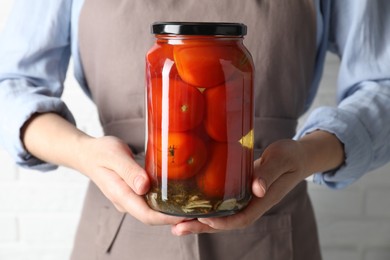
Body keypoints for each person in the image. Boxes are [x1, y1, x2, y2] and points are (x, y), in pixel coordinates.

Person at [0, 0, 389, 259]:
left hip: (274, 232)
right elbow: (12, 85)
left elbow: (382, 86)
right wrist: (84, 152)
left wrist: (309, 154)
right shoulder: (165, 56)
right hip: (118, 238)